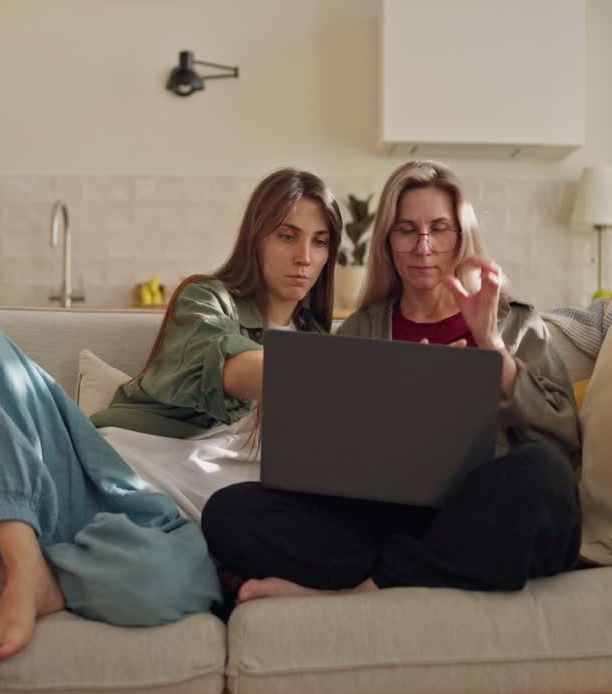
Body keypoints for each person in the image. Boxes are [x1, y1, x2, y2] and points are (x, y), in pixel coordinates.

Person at [0, 168, 343, 666]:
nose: (304, 257)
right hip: (87, 469)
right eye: (288, 236)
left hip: (165, 530)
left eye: (320, 241)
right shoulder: (208, 299)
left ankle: (9, 567)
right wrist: (329, 377)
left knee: (164, 586)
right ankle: (25, 568)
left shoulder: (328, 356)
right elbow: (232, 370)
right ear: (257, 237)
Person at [201, 160, 583, 603]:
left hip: (481, 511)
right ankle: (415, 569)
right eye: (407, 230)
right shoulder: (361, 329)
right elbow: (323, 455)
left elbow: (563, 438)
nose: (423, 247)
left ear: (461, 237)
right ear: (388, 241)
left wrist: (490, 344)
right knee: (228, 513)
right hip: (386, 518)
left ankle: (361, 588)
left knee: (544, 475)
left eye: (438, 229)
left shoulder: (515, 323)